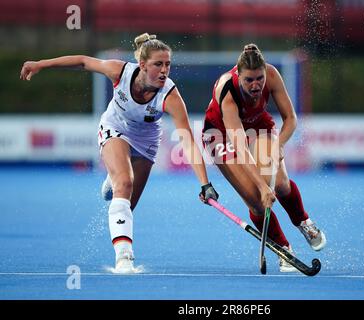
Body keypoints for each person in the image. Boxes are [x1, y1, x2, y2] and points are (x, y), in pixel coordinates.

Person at [20, 33, 218, 273]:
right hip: (116, 127)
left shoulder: (171, 96)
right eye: (158, 64)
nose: (164, 70)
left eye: (167, 64)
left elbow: (187, 140)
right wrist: (41, 64)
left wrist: (205, 184)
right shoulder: (120, 72)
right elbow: (83, 61)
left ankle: (112, 181)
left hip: (147, 141)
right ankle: (124, 258)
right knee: (125, 183)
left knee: (127, 207)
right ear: (143, 65)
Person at [202, 44, 325, 272]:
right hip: (220, 137)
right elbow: (239, 147)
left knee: (279, 183)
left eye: (259, 78)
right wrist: (260, 186)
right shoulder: (227, 93)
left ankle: (304, 222)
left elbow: (290, 119)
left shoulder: (272, 75)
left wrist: (278, 145)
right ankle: (283, 248)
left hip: (258, 126)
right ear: (238, 75)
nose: (256, 85)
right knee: (258, 201)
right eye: (249, 80)